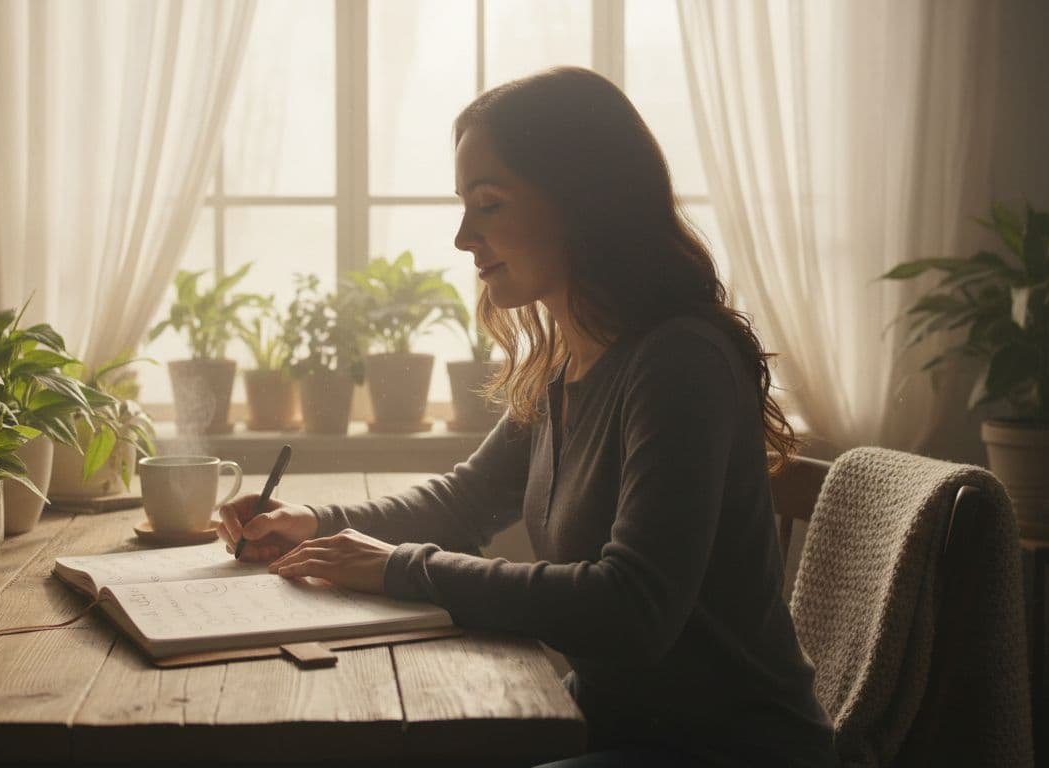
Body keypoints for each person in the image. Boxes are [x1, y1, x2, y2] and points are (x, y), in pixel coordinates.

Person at [217, 66, 836, 768]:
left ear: (582, 201)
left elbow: (632, 608)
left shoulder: (679, 362)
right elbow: (466, 500)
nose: (461, 238)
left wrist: (399, 569)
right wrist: (314, 523)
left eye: (488, 205)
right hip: (614, 725)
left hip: (728, 750)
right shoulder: (569, 359)